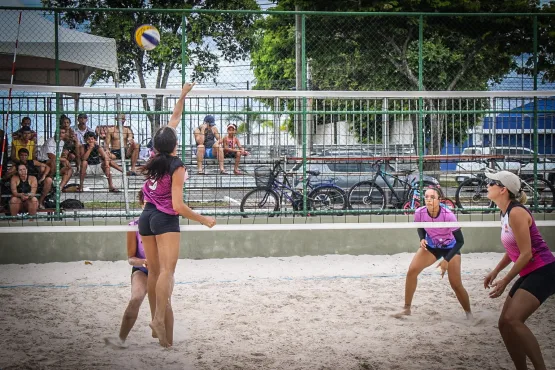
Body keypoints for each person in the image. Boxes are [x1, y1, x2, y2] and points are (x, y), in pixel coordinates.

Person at [139, 82, 216, 348]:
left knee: (154, 273)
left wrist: (182, 95)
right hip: (164, 219)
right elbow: (179, 206)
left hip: (146, 218)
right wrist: (204, 219)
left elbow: (174, 118)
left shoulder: (153, 155)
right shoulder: (177, 165)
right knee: (167, 274)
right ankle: (159, 319)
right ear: (175, 144)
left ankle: (155, 321)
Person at [483, 170, 555, 370]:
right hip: (530, 271)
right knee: (504, 324)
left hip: (545, 270)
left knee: (513, 320)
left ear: (503, 189)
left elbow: (526, 254)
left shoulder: (516, 212)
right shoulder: (504, 212)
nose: (487, 184)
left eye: (491, 182)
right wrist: (495, 272)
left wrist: (505, 281)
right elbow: (513, 249)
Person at [394, 186, 472, 319]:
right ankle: (407, 308)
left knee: (456, 284)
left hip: (450, 247)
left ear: (439, 200)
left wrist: (446, 260)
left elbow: (460, 241)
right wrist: (422, 238)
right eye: (426, 197)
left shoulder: (448, 215)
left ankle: (469, 314)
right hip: (432, 245)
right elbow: (420, 227)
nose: (428, 200)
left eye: (432, 197)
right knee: (412, 271)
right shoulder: (420, 212)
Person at [104, 190, 149, 348]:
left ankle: (166, 339)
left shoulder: (165, 225)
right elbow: (131, 258)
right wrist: (144, 262)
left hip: (162, 270)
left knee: (164, 304)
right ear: (141, 203)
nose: (150, 204)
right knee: (136, 298)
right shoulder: (134, 226)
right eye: (146, 201)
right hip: (142, 270)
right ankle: (120, 339)